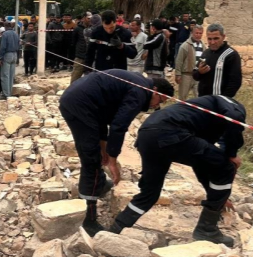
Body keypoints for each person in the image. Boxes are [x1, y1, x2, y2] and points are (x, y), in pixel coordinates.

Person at [110, 95, 246, 247]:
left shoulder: (200, 113)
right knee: (226, 167)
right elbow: (234, 118)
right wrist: (232, 153)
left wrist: (217, 196)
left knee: (150, 193)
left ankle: (116, 229)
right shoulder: (235, 108)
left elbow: (201, 164)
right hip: (171, 133)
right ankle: (207, 229)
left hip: (148, 134)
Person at [60, 70, 173, 236]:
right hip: (80, 105)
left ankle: (99, 184)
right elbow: (119, 125)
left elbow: (104, 114)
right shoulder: (140, 93)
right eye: (160, 101)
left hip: (83, 103)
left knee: (97, 152)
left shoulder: (139, 84)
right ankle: (88, 219)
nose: (157, 106)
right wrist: (112, 160)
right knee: (91, 160)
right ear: (155, 91)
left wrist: (105, 146)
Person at [192, 24, 242, 98]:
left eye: (216, 39)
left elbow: (235, 82)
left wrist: (223, 99)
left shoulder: (231, 55)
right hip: (203, 99)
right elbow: (195, 75)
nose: (212, 42)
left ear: (223, 37)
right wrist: (200, 72)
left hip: (219, 100)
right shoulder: (206, 53)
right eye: (209, 39)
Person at [175, 24, 204, 100]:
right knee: (182, 97)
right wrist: (178, 74)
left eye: (200, 33)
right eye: (196, 33)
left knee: (199, 97)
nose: (198, 35)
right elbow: (179, 61)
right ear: (192, 33)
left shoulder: (203, 46)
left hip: (198, 76)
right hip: (186, 75)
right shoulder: (185, 46)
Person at [0, 21, 19, 100]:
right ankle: (9, 92)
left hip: (7, 54)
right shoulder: (16, 34)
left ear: (5, 26)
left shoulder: (5, 34)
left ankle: (6, 94)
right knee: (11, 75)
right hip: (14, 54)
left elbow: (3, 46)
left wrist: (0, 57)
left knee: (5, 75)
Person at [70, 14, 90, 83]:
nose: (90, 20)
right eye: (88, 18)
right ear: (83, 18)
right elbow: (73, 42)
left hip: (91, 57)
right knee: (75, 78)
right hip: (80, 57)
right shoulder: (77, 29)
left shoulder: (94, 28)